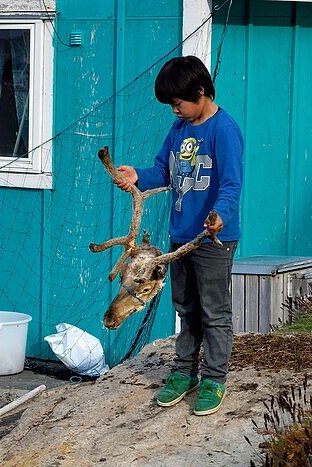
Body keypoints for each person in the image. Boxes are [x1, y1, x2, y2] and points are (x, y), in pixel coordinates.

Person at [114, 55, 244, 416]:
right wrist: (139, 175)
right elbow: (162, 171)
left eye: (178, 102)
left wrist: (220, 215)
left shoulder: (225, 131)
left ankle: (214, 378)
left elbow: (231, 184)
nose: (174, 110)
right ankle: (185, 372)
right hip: (179, 240)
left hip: (214, 239)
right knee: (186, 308)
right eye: (171, 105)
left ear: (200, 91)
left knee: (214, 311)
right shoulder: (178, 130)